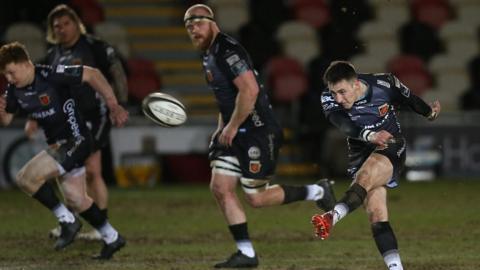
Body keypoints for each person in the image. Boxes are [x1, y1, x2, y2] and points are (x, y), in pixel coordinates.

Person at [184, 4, 336, 268]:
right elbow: (226, 101)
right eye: (188, 26)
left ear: (212, 22)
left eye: (197, 23)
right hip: (235, 131)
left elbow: (250, 91)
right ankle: (246, 253)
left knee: (256, 198)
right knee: (220, 188)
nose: (193, 30)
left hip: (257, 131)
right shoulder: (208, 56)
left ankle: (317, 191)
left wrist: (230, 127)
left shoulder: (227, 50)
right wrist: (221, 129)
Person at [0, 41, 128, 259]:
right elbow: (6, 119)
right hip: (59, 145)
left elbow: (92, 74)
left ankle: (67, 221)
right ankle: (112, 237)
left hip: (75, 140)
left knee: (25, 178)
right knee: (76, 199)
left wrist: (113, 104)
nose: (9, 79)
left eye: (11, 72)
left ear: (25, 63)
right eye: (5, 75)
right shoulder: (13, 90)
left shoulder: (52, 75)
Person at [310, 61, 441, 270]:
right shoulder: (328, 96)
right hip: (360, 151)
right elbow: (343, 123)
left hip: (390, 145)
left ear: (356, 84)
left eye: (342, 92)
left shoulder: (384, 84)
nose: (338, 99)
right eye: (334, 93)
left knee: (365, 177)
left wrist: (429, 113)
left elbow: (409, 99)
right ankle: (396, 268)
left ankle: (331, 217)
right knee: (376, 214)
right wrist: (370, 135)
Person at [24, 4, 129, 240]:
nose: (61, 29)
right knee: (73, 171)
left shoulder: (94, 46)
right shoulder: (53, 55)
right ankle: (75, 223)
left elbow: (117, 71)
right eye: (56, 26)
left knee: (92, 170)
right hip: (68, 120)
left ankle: (99, 225)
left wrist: (119, 103)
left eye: (66, 23)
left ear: (76, 24)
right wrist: (33, 118)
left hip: (95, 115)